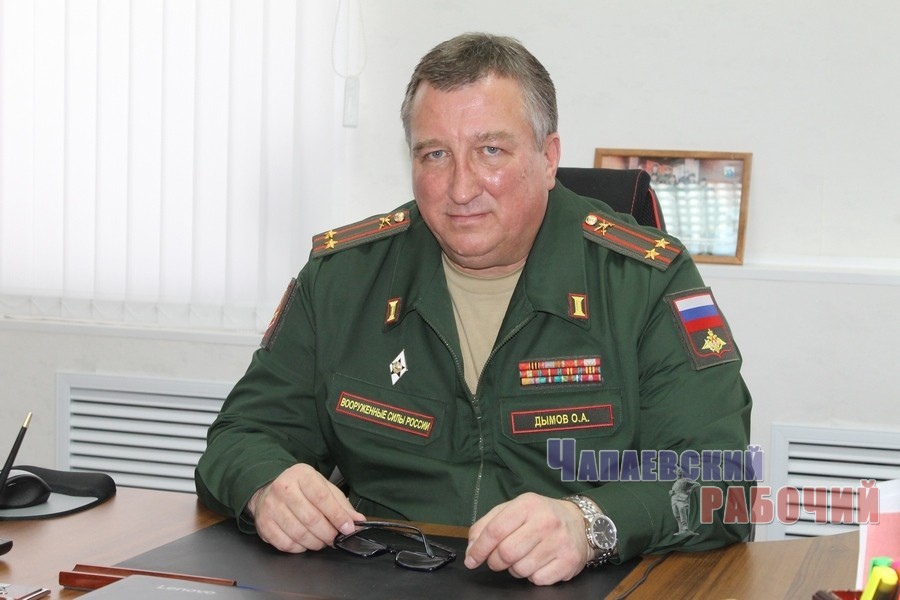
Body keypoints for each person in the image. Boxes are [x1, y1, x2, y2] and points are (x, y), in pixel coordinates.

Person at [196, 32, 753, 586]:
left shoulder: (645, 281)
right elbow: (242, 433)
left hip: (573, 584)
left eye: (490, 151)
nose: (461, 188)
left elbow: (722, 482)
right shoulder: (344, 278)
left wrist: (590, 524)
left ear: (549, 157)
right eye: (435, 155)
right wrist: (268, 485)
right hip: (382, 577)